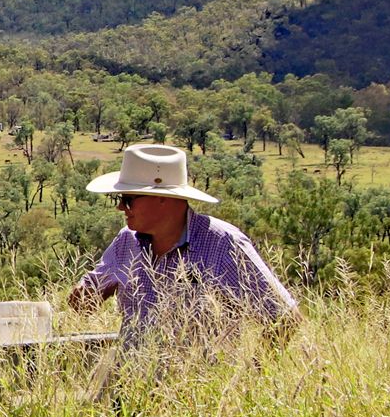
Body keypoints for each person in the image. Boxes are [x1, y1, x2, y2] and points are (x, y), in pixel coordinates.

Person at [68, 142, 296, 342]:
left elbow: (286, 318)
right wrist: (85, 295)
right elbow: (85, 302)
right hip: (134, 383)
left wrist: (250, 375)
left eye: (128, 200)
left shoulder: (223, 244)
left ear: (163, 199)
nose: (120, 207)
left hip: (203, 387)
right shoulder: (126, 241)